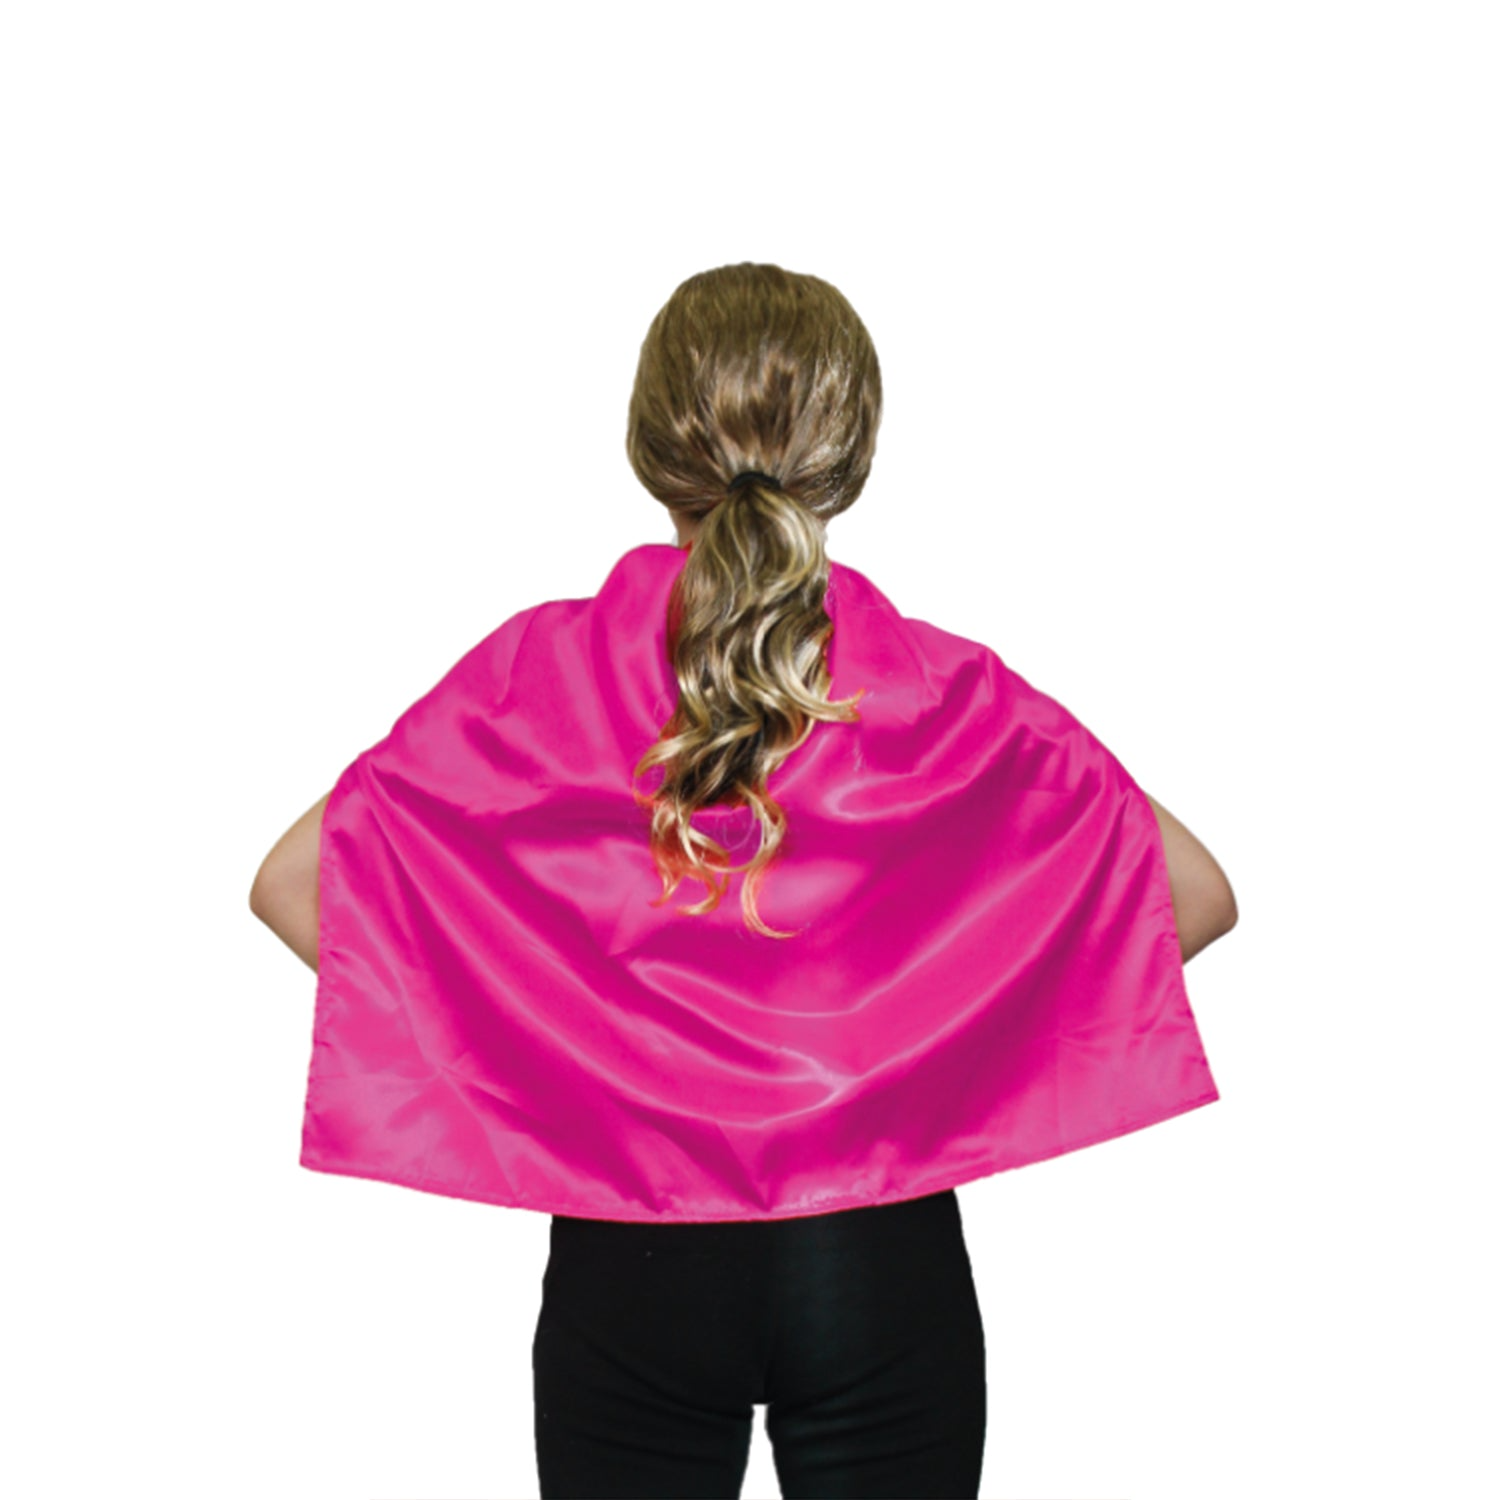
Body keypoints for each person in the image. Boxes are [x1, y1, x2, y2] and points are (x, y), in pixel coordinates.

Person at [251, 262, 1236, 1499]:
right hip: (876, 1259)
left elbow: (297, 884)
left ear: (651, 442)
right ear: (850, 450)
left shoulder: (538, 678)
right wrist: (929, 1045)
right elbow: (1191, 895)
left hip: (632, 1261)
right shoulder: (944, 695)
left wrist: (552, 1048)